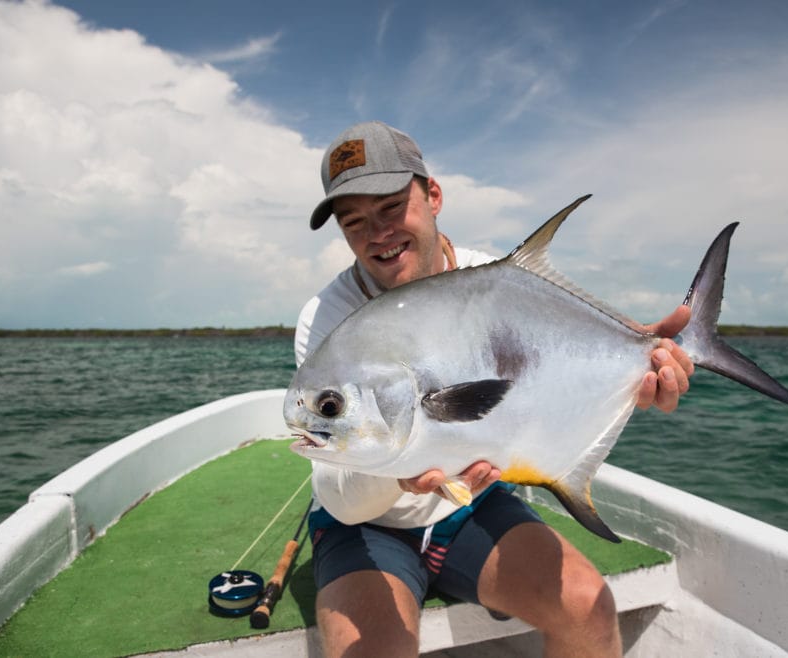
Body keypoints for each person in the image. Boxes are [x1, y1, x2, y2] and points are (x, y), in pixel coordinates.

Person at [294, 121, 693, 658]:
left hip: (471, 504)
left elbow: (570, 363)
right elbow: (343, 498)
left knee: (588, 606)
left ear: (433, 195)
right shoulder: (328, 318)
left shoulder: (500, 278)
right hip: (370, 523)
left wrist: (646, 368)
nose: (377, 233)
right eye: (354, 221)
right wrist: (402, 479)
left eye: (391, 208)